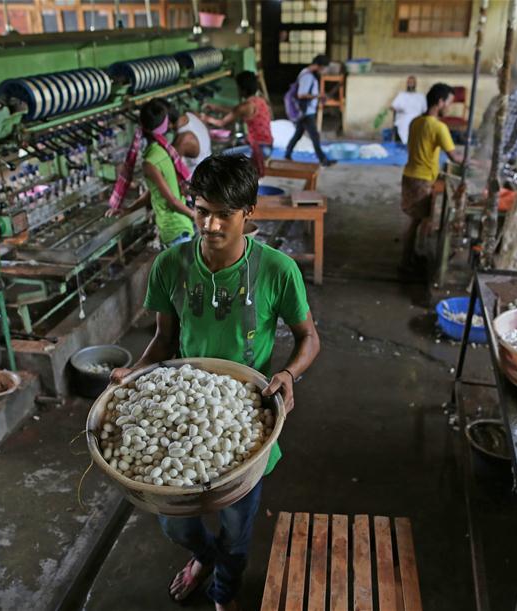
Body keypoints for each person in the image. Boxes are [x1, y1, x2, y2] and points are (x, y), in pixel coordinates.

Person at [110, 154, 320, 611]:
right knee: (175, 523)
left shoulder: (277, 270)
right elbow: (164, 340)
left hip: (245, 416)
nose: (210, 225)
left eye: (225, 213)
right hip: (182, 404)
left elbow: (309, 337)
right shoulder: (171, 265)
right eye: (202, 210)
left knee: (237, 528)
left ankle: (225, 590)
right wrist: (136, 373)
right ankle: (203, 557)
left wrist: (288, 373)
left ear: (249, 212)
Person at [106, 99, 196, 248]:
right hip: (181, 227)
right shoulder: (163, 151)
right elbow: (155, 192)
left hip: (174, 229)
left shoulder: (150, 161)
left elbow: (172, 201)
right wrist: (129, 210)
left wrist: (195, 215)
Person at [400, 83, 463, 276]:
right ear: (440, 102)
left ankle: (411, 256)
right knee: (418, 223)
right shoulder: (438, 127)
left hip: (409, 175)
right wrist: (477, 162)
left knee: (417, 220)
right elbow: (455, 157)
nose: (449, 108)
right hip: (423, 179)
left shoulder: (416, 122)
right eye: (449, 103)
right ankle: (407, 262)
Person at [201, 71, 274, 177]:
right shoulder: (260, 101)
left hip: (258, 149)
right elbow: (235, 111)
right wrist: (215, 107)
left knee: (221, 157)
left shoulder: (245, 106)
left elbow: (221, 123)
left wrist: (204, 118)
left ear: (242, 89)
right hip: (268, 146)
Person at [284, 55, 336, 167]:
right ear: (319, 66)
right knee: (315, 136)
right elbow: (301, 94)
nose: (324, 70)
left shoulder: (306, 73)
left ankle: (287, 154)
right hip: (306, 112)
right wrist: (318, 96)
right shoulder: (307, 76)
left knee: (298, 134)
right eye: (323, 68)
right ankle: (323, 160)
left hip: (306, 110)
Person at [477, 67, 517, 165]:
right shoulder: (495, 100)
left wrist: (503, 158)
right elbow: (484, 124)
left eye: (501, 79)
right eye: (498, 78)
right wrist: (480, 146)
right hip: (486, 153)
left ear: (512, 81)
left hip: (504, 158)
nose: (498, 82)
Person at [170, 105, 212, 177]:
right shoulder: (192, 114)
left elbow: (170, 167)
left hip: (196, 177)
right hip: (209, 167)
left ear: (169, 124)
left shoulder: (183, 140)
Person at [388, 75, 427, 145]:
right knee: (403, 126)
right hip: (403, 119)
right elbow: (392, 107)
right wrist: (399, 109)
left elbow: (424, 110)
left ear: (415, 84)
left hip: (416, 120)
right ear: (407, 84)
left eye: (412, 82)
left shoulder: (421, 96)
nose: (410, 84)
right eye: (409, 82)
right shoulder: (401, 95)